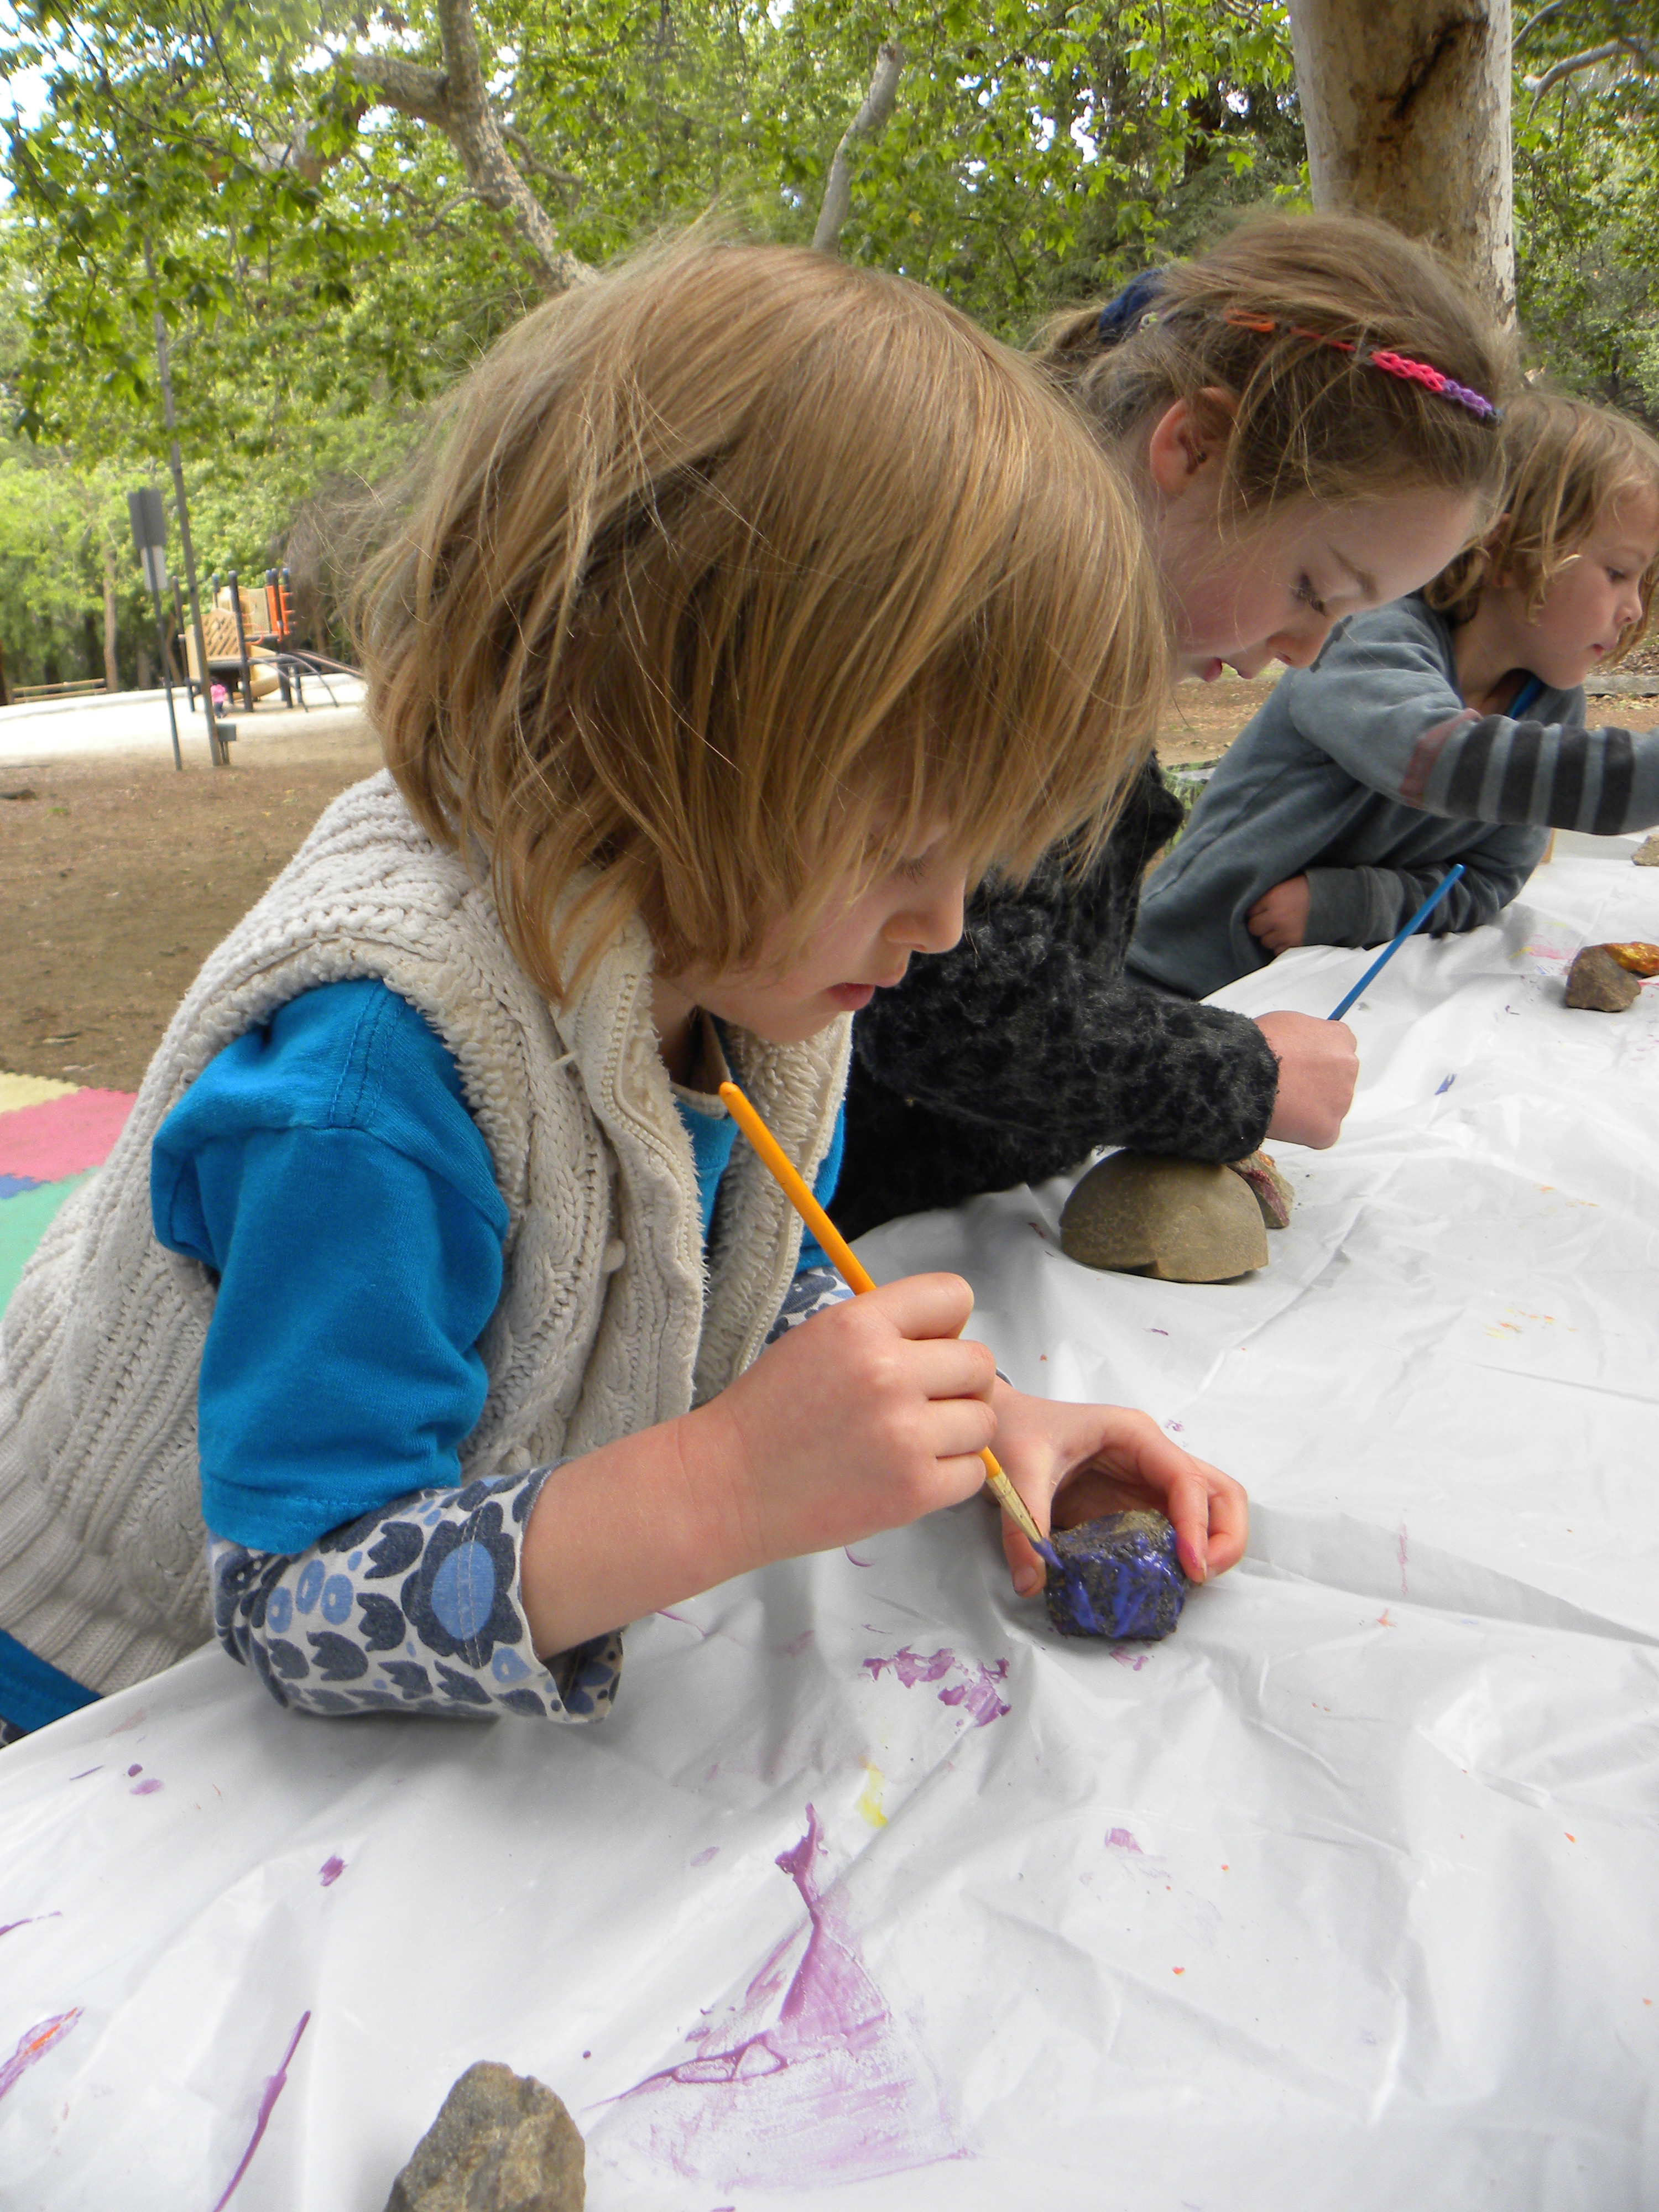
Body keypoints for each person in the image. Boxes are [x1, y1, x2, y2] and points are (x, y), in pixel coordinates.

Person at [0, 237, 1246, 1740]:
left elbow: (718, 1272)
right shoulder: (374, 1087)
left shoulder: (750, 969)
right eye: (900, 850)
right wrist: (719, 1485)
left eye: (975, 861)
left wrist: (976, 1421)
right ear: (654, 737)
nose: (938, 926)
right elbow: (297, 1601)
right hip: (102, 1690)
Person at [832, 214, 1512, 1244]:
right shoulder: (1006, 638)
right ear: (1192, 447)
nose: (1307, 651)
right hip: (839, 1228)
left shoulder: (1090, 644)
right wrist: (1239, 1075)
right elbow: (946, 1005)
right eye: (1314, 589)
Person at [1129, 390, 1659, 1001]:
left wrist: (1354, 903)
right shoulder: (1367, 633)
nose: (1634, 608)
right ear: (1511, 552)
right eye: (1617, 573)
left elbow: (1490, 878)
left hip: (1329, 991)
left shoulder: (1550, 704)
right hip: (1179, 974)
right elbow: (1432, 755)